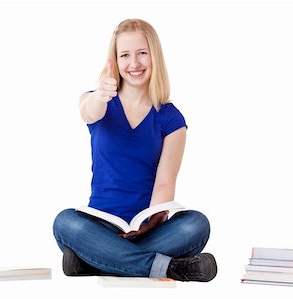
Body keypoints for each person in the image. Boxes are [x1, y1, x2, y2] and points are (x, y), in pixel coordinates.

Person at [53, 19, 217, 282]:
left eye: (142, 53)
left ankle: (94, 261)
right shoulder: (97, 101)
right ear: (115, 61)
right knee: (64, 222)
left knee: (196, 224)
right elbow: (88, 111)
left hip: (150, 231)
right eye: (125, 55)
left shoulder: (171, 118)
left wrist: (150, 224)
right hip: (98, 227)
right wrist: (100, 94)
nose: (134, 63)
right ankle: (171, 268)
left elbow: (165, 182)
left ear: (154, 56)